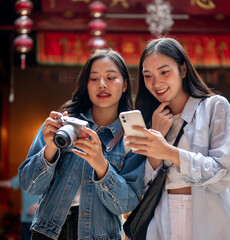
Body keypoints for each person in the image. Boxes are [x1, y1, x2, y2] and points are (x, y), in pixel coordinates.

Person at [124, 37, 230, 240]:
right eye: (148, 76)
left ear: (183, 70)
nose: (156, 83)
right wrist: (157, 136)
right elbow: (146, 186)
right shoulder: (153, 119)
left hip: (210, 218)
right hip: (164, 220)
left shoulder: (215, 107)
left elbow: (226, 170)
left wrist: (168, 151)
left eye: (164, 72)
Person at [18, 49, 145, 240]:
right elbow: (29, 185)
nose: (102, 84)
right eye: (94, 79)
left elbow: (126, 204)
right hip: (48, 232)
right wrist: (50, 149)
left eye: (111, 77)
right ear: (86, 85)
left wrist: (101, 165)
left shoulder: (133, 136)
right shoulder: (63, 124)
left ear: (125, 84)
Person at [0, 174, 39, 240]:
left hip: (41, 220)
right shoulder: (24, 174)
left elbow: (53, 193)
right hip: (26, 219)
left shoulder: (48, 171)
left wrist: (37, 204)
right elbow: (10, 184)